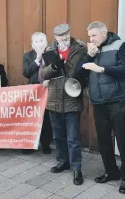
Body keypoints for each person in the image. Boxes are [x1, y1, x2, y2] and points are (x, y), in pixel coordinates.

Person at [81, 21, 125, 194]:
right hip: (99, 102)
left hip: (119, 101)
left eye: (94, 35)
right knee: (103, 139)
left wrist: (101, 68)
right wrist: (89, 57)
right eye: (89, 36)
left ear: (104, 34)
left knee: (123, 140)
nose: (91, 39)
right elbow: (80, 73)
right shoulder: (92, 50)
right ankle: (111, 172)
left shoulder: (120, 45)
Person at [41, 23, 87, 185]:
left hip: (71, 98)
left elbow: (79, 72)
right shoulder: (49, 51)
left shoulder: (80, 49)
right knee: (58, 136)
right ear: (55, 37)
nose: (64, 38)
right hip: (54, 99)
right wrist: (54, 66)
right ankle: (63, 161)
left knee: (73, 138)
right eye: (60, 36)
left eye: (66, 34)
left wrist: (65, 64)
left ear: (70, 33)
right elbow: (42, 75)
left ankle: (77, 168)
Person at [22, 32, 53, 155]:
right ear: (32, 44)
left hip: (47, 90)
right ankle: (30, 144)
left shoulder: (50, 54)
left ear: (46, 42)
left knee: (46, 118)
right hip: (34, 91)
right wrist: (37, 59)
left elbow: (55, 70)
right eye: (36, 41)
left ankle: (46, 144)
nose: (39, 44)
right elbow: (26, 73)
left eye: (41, 41)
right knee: (32, 118)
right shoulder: (27, 56)